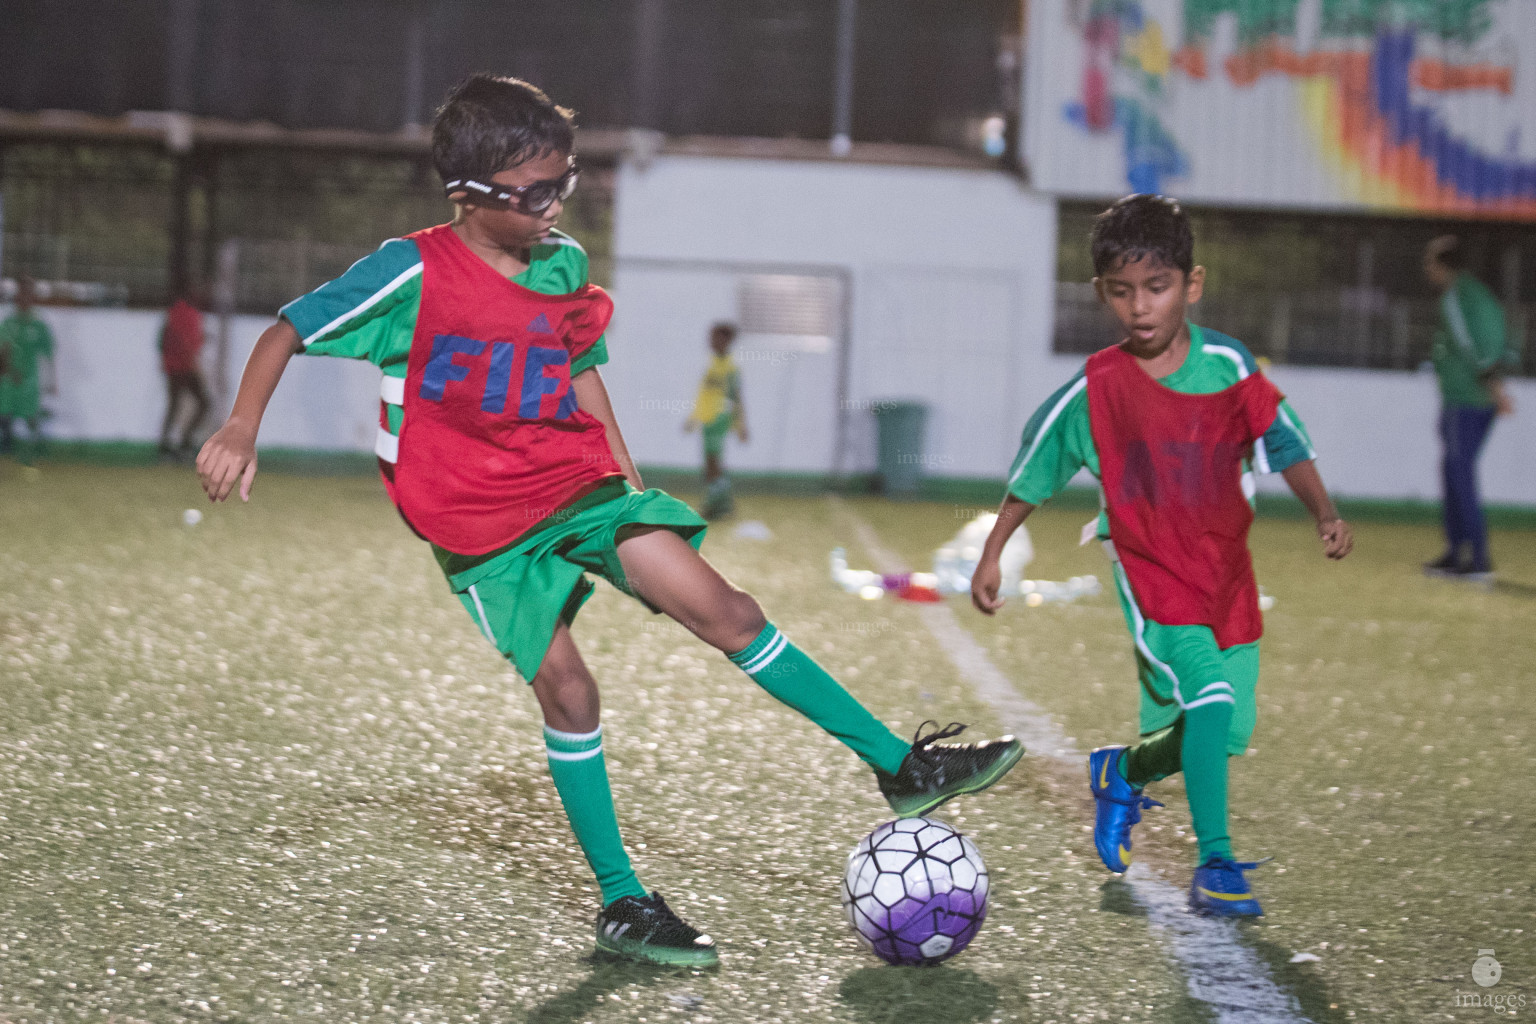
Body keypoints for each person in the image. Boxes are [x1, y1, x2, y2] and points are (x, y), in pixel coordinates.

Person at [196, 74, 1022, 967]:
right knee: (571, 691)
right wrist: (243, 424)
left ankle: (901, 764)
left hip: (573, 484)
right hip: (477, 526)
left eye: (565, 182)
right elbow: (288, 329)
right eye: (537, 192)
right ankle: (624, 904)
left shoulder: (563, 265)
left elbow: (582, 367)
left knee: (730, 611)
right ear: (468, 197)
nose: (557, 204)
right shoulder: (411, 271)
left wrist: (625, 485)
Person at [971, 195, 1352, 917]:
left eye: (1157, 287)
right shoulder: (1097, 387)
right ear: (1101, 294)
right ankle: (1216, 863)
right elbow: (1033, 472)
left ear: (1192, 283)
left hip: (1224, 572)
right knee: (1208, 698)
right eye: (1122, 292)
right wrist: (995, 548)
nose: (1139, 308)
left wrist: (1325, 512)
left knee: (1224, 728)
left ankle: (1123, 771)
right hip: (1149, 572)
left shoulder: (1227, 365)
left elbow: (1286, 440)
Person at [1422, 235, 1516, 582]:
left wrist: (1495, 388)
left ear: (1445, 266)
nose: (1427, 270)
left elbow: (1473, 344)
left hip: (1469, 399)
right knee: (1452, 471)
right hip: (1463, 398)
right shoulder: (1475, 294)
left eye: (1431, 263)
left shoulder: (1458, 297)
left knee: (1460, 473)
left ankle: (1478, 561)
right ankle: (1456, 554)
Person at [683, 322, 748, 518]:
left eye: (715, 337)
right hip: (708, 419)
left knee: (713, 463)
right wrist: (694, 418)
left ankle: (717, 505)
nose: (711, 341)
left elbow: (736, 397)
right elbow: (704, 395)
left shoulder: (730, 367)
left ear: (727, 340)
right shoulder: (711, 364)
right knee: (710, 464)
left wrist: (741, 425)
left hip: (720, 418)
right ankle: (722, 504)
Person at [0, 276, 57, 461]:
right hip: (9, 374)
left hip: (30, 375)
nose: (25, 299)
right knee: (4, 410)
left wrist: (52, 380)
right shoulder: (9, 322)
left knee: (30, 413)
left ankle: (35, 444)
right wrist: (7, 371)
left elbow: (48, 353)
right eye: (22, 294)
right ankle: (7, 444)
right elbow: (3, 349)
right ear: (17, 297)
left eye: (29, 295)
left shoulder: (39, 325)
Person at [159, 286, 212, 460]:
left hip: (171, 367)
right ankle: (185, 444)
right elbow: (189, 343)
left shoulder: (173, 313)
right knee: (205, 403)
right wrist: (193, 363)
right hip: (185, 367)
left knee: (174, 405)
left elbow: (163, 340)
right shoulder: (191, 315)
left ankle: (165, 446)